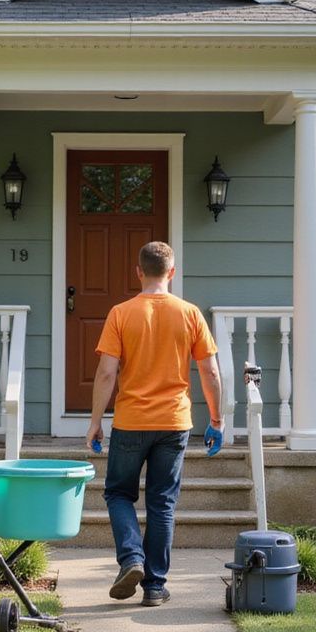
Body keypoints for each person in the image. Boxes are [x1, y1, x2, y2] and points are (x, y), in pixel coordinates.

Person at [85, 241, 224, 606]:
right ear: (172, 273)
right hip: (175, 421)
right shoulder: (190, 313)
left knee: (118, 493)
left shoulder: (121, 313)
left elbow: (105, 374)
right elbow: (209, 370)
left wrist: (95, 422)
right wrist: (216, 419)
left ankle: (132, 557)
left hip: (131, 420)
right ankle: (155, 586)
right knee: (162, 502)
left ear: (139, 272)